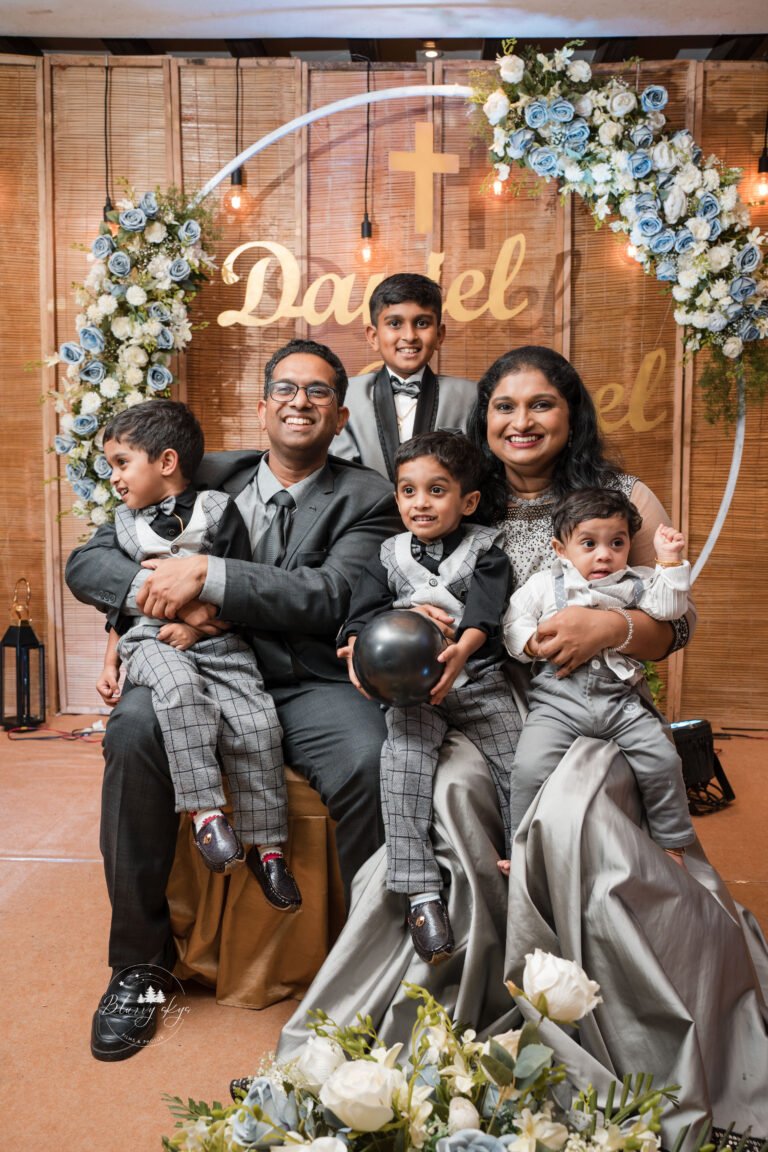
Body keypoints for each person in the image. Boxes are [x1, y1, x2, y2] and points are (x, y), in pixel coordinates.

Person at [278, 346, 768, 1142]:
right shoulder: (459, 495)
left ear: (571, 412)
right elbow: (392, 590)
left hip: (595, 706)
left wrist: (611, 624)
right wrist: (381, 643)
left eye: (541, 404)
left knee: (573, 817)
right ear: (485, 422)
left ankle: (591, 1011)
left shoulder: (618, 497)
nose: (521, 421)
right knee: (448, 796)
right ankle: (440, 1008)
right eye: (505, 407)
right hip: (481, 701)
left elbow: (677, 622)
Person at [65, 338, 403, 1062]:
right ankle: (138, 966)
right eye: (286, 388)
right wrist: (157, 599)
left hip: (307, 681)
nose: (299, 402)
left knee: (372, 758)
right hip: (203, 665)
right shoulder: (203, 472)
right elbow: (91, 558)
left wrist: (208, 578)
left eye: (317, 392)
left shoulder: (370, 496)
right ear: (262, 406)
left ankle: (370, 969)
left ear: (339, 416)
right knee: (130, 733)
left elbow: (333, 594)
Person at [96, 400, 300, 904]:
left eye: (122, 463)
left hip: (221, 642)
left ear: (166, 462)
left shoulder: (217, 510)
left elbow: (240, 588)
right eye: (110, 468)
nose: (115, 479)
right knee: (182, 691)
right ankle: (206, 816)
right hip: (148, 640)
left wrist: (199, 629)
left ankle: (268, 851)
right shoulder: (120, 526)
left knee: (257, 724)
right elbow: (120, 609)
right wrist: (109, 661)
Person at [338, 431, 516, 964]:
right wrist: (355, 649)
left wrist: (462, 648)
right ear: (397, 497)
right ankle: (420, 892)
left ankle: (522, 859)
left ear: (469, 501)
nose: (421, 502)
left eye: (437, 491)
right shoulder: (387, 555)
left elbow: (487, 609)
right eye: (409, 491)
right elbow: (361, 613)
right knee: (402, 760)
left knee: (518, 758)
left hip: (478, 680)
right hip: (412, 692)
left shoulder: (487, 549)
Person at [502, 486, 694, 872]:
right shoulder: (545, 584)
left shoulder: (637, 582)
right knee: (528, 768)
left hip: (620, 699)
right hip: (558, 699)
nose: (604, 554)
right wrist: (531, 645)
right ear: (561, 549)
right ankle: (523, 848)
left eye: (616, 543)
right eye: (588, 544)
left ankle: (672, 843)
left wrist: (669, 562)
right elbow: (513, 622)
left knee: (661, 759)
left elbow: (673, 611)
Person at [330, 273, 475, 480]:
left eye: (422, 323)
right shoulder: (345, 395)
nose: (409, 336)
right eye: (395, 324)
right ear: (373, 336)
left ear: (439, 335)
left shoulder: (469, 397)